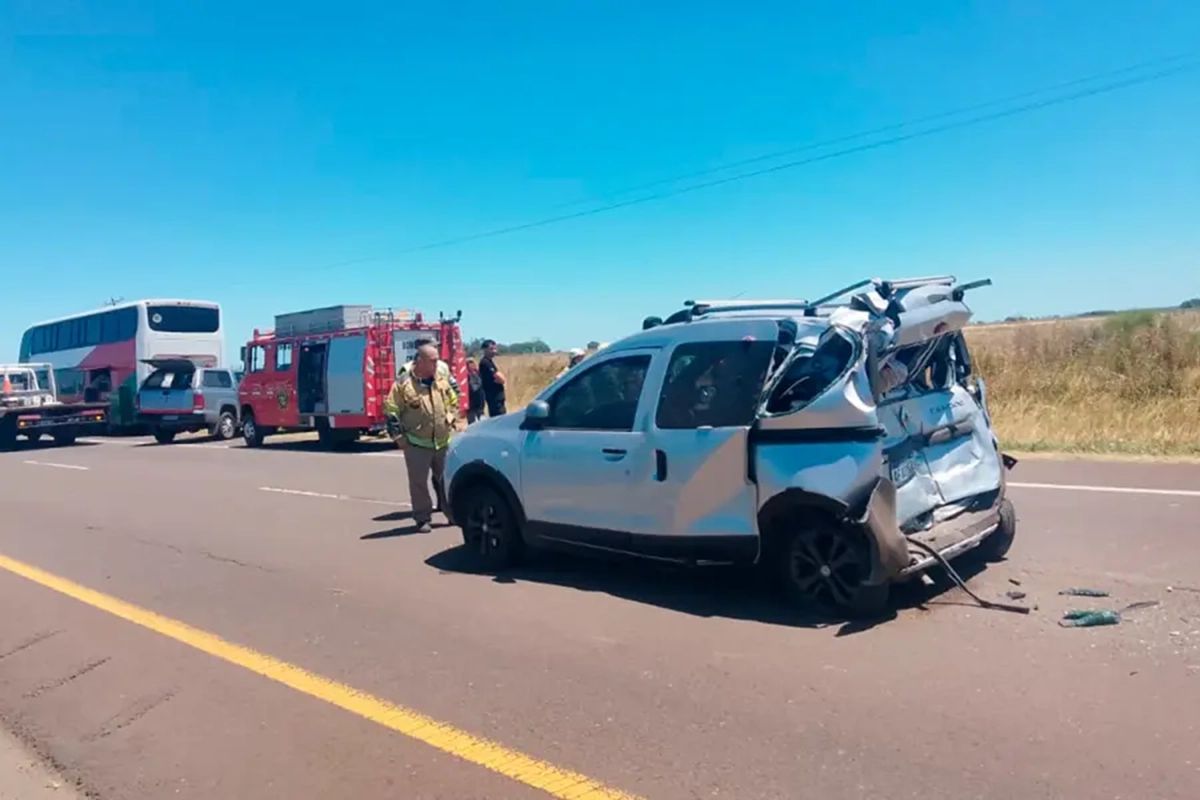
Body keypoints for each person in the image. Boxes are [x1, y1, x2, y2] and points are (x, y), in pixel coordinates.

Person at [383, 343, 460, 533]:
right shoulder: (403, 384)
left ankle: (451, 513)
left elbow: (453, 400)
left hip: (442, 441)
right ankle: (422, 517)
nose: (437, 364)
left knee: (445, 479)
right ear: (420, 361)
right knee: (419, 483)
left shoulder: (441, 379)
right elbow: (391, 411)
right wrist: (398, 437)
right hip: (416, 442)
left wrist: (451, 418)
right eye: (433, 361)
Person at [477, 339, 507, 417]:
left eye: (495, 349)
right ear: (484, 350)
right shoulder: (485, 362)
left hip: (498, 397)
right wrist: (499, 378)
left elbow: (500, 378)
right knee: (498, 419)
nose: (494, 351)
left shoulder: (490, 362)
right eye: (491, 349)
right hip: (494, 397)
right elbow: (501, 378)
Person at [465, 358, 485, 424]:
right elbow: (473, 388)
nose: (471, 365)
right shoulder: (466, 375)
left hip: (479, 402)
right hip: (471, 403)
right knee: (472, 423)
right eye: (469, 363)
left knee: (482, 421)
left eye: (472, 362)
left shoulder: (478, 373)